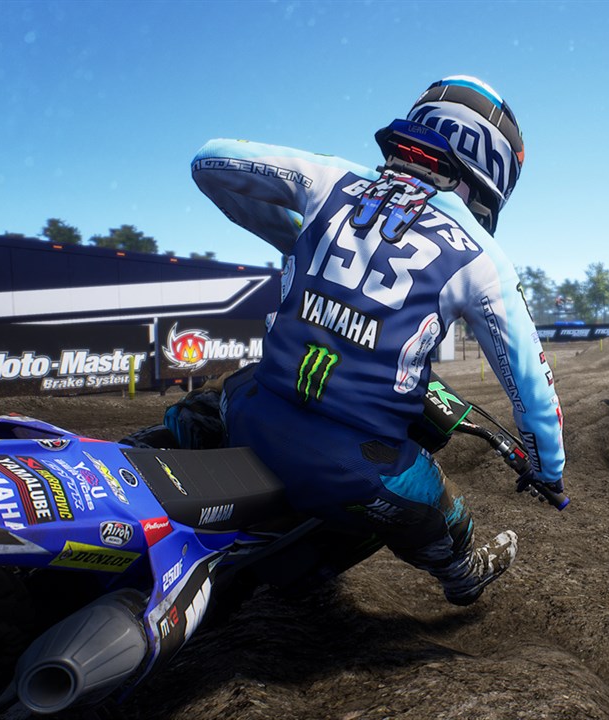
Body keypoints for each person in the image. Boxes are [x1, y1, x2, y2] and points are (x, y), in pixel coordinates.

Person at [191, 75, 565, 606]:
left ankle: (145, 449)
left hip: (251, 417)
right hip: (356, 470)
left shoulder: (333, 178)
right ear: (495, 173)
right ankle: (462, 574)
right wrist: (548, 471)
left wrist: (296, 236)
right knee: (443, 507)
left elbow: (209, 161)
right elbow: (532, 387)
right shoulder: (483, 256)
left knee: (220, 394)